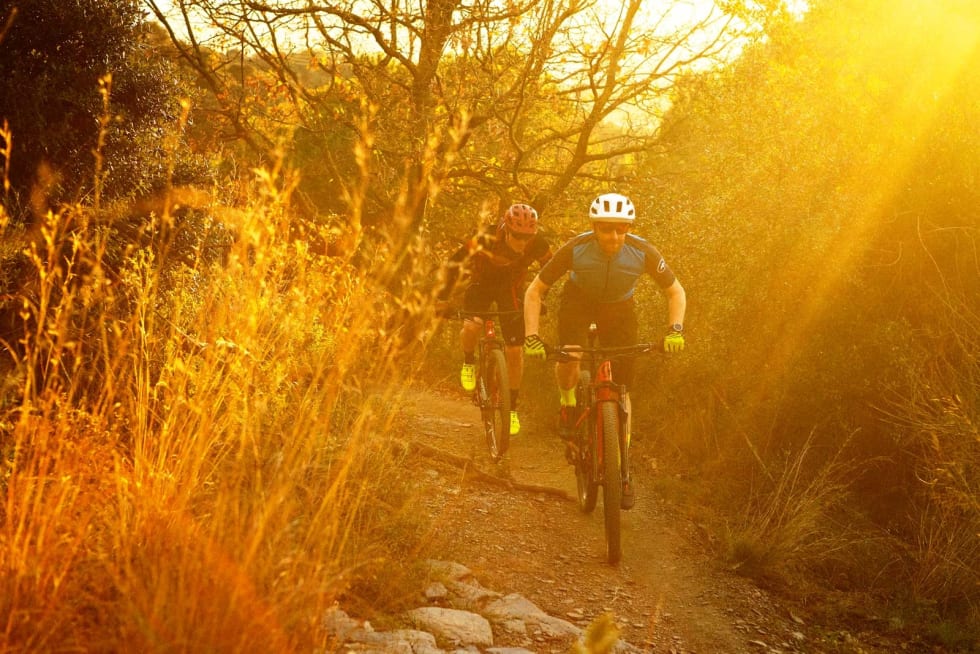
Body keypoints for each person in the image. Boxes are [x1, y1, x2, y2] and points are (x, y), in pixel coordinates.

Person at [521, 192, 686, 508]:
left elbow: (675, 291)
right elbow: (535, 291)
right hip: (579, 302)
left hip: (619, 309)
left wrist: (675, 330)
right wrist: (531, 336)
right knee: (571, 354)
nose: (614, 236)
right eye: (607, 228)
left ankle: (622, 464)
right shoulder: (576, 248)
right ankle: (568, 403)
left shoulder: (642, 251)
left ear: (629, 228)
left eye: (622, 229)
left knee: (622, 389)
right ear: (594, 227)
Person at [436, 203, 553, 436]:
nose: (522, 242)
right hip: (482, 285)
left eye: (527, 237)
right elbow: (454, 263)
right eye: (517, 236)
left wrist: (538, 297)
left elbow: (551, 268)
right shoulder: (485, 237)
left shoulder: (538, 243)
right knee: (472, 325)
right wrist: (442, 298)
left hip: (511, 289)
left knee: (515, 350)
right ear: (507, 230)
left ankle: (512, 407)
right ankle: (468, 361)